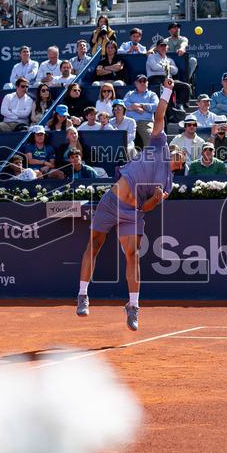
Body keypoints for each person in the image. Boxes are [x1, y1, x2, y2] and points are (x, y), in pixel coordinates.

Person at [76, 76, 184, 331]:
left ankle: (133, 306)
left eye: (181, 155)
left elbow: (146, 209)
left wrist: (156, 200)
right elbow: (159, 116)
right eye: (177, 149)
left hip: (132, 212)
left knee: (133, 256)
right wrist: (166, 92)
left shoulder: (168, 184)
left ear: (181, 165)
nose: (178, 151)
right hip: (111, 200)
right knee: (94, 244)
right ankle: (82, 294)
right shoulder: (160, 143)